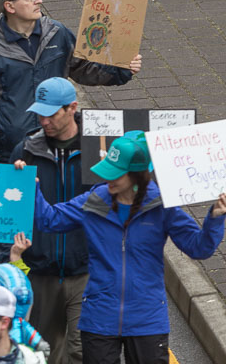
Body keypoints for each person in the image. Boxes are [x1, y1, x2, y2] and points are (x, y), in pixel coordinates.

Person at [31, 131, 226, 364]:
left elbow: (199, 248)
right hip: (99, 319)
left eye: (116, 173)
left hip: (148, 320)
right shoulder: (94, 201)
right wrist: (30, 187)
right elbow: (49, 220)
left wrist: (215, 218)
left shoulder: (162, 205)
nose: (108, 179)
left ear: (137, 175)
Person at [0, 0, 141, 163]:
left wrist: (122, 69)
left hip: (55, 144)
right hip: (8, 151)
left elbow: (83, 69)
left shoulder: (57, 33)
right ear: (10, 6)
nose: (39, 0)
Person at [0, 77, 88, 364]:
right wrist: (5, 261)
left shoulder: (98, 148)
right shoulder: (25, 151)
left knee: (83, 349)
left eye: (51, 114)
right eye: (39, 114)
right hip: (41, 271)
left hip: (86, 270)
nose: (44, 121)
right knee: (46, 351)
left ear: (72, 108)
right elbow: (8, 210)